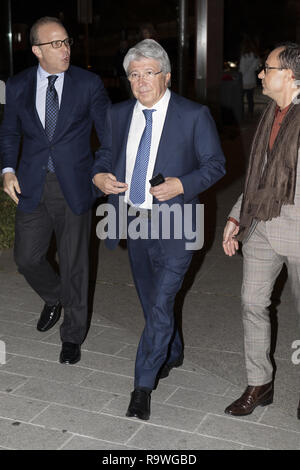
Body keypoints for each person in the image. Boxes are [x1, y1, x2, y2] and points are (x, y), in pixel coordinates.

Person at [93, 39, 225, 420]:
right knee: (153, 302)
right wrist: (99, 175)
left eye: (149, 73)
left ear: (166, 77)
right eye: (134, 74)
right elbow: (104, 156)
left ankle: (142, 385)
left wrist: (182, 184)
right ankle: (173, 349)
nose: (141, 81)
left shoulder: (193, 115)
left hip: (178, 222)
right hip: (132, 219)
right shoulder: (117, 115)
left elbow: (215, 164)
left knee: (160, 303)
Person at [0, 17, 110, 365]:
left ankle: (73, 335)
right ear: (36, 51)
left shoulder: (88, 84)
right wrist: (6, 171)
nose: (64, 50)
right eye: (55, 44)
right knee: (27, 257)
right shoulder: (17, 86)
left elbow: (108, 138)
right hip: (31, 184)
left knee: (75, 263)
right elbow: (9, 134)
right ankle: (55, 297)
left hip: (75, 185)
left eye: (66, 42)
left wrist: (99, 172)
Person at [222, 42, 300, 419]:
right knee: (252, 304)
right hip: (261, 230)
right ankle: (259, 382)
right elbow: (258, 177)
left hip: (299, 234)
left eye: (266, 68)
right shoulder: (270, 114)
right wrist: (237, 218)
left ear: (289, 75)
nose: (259, 74)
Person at [239, 40, 260, 116]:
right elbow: (256, 68)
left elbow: (242, 69)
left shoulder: (243, 57)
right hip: (251, 80)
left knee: (241, 98)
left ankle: (241, 113)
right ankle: (251, 112)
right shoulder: (255, 57)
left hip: (244, 80)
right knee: (250, 98)